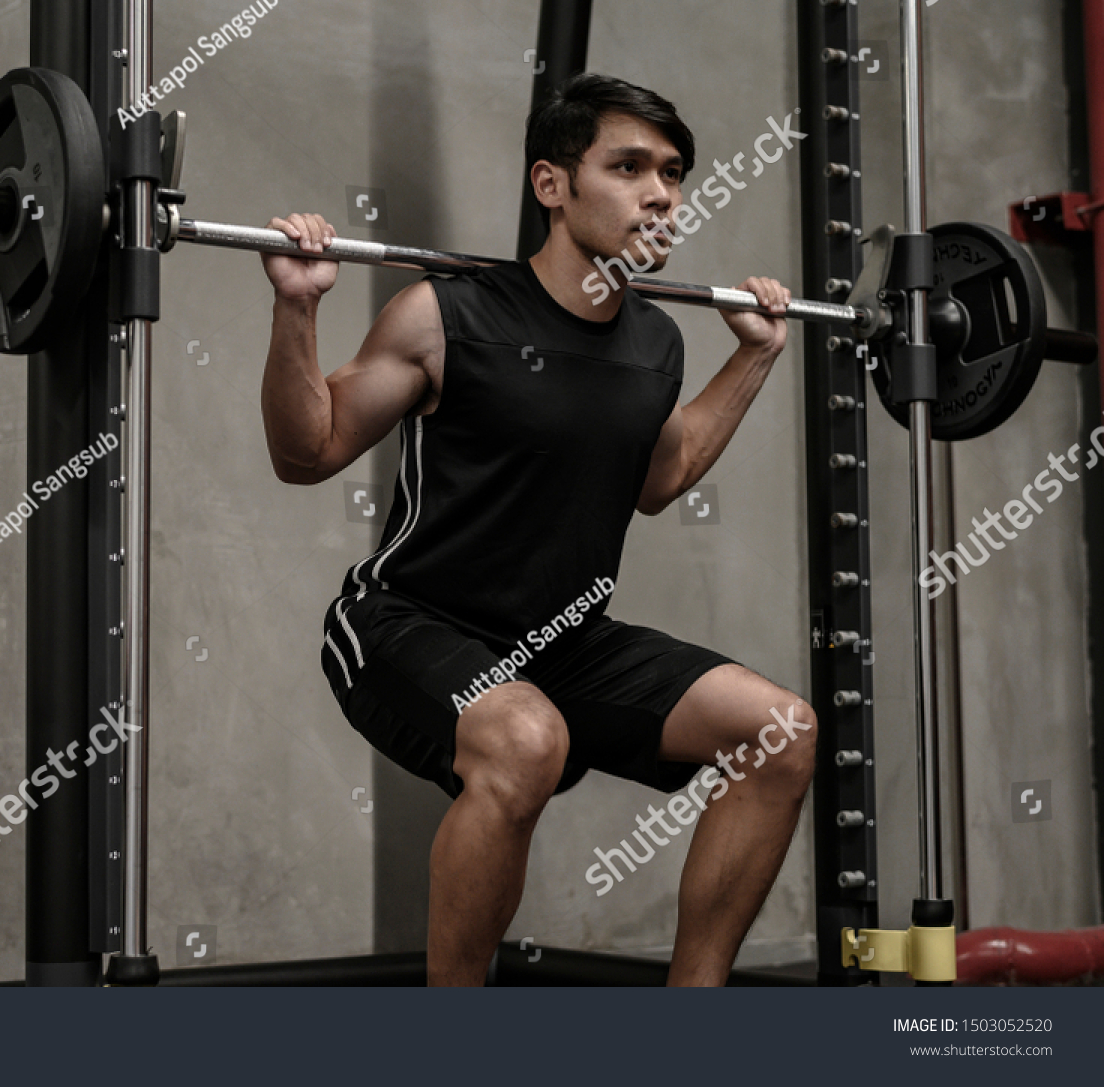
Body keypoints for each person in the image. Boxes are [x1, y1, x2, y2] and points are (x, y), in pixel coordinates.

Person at [258, 73, 815, 987]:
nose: (659, 193)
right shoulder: (448, 314)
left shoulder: (655, 341)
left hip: (563, 641)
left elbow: (661, 476)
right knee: (527, 740)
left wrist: (753, 355)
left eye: (672, 173)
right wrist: (297, 307)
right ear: (552, 185)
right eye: (627, 166)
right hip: (408, 620)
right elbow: (307, 450)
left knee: (781, 734)